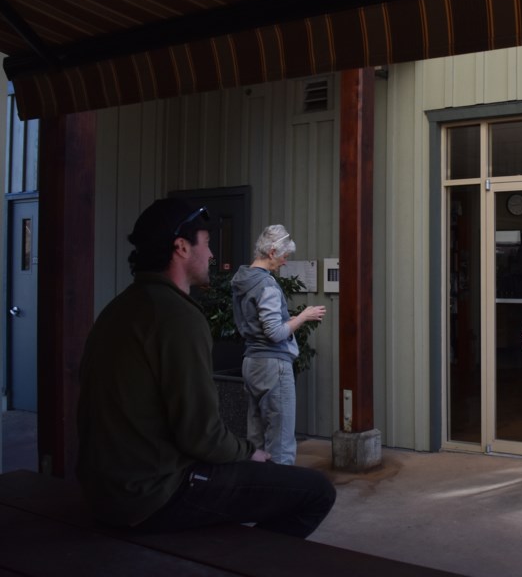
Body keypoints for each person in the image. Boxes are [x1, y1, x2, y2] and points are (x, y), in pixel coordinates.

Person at [76, 198, 335, 538]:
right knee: (316, 491)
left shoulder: (117, 309)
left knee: (255, 445)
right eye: (208, 244)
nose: (212, 255)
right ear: (182, 247)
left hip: (105, 492)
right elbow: (201, 436)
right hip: (154, 496)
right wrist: (247, 453)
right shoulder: (177, 316)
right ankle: (255, 562)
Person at [231, 225, 325, 465]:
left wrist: (291, 321)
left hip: (251, 362)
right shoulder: (267, 285)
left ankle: (258, 492)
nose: (285, 262)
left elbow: (260, 325)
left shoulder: (242, 280)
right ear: (272, 252)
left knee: (256, 438)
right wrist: (303, 316)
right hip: (273, 365)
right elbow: (274, 333)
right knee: (281, 442)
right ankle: (282, 496)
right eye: (284, 256)